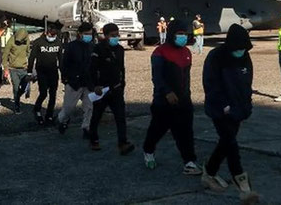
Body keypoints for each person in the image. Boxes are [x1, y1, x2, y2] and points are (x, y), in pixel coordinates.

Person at [201, 24, 259, 203]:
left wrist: (246, 105)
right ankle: (242, 183)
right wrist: (224, 105)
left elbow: (246, 82)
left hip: (238, 109)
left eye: (244, 48)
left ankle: (209, 172)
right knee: (231, 144)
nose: (241, 51)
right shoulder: (216, 56)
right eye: (238, 47)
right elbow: (210, 84)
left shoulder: (244, 56)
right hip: (220, 109)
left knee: (226, 143)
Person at [142, 19, 202, 175]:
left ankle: (189, 161)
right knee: (158, 129)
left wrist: (187, 96)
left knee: (185, 132)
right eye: (179, 34)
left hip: (183, 100)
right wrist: (166, 92)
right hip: (164, 101)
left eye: (184, 34)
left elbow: (186, 78)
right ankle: (148, 150)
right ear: (171, 34)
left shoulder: (186, 52)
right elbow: (157, 77)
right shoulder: (159, 52)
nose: (182, 37)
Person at [87, 23, 134, 154]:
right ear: (106, 35)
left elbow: (121, 68)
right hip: (102, 89)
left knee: (120, 116)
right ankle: (94, 140)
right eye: (113, 36)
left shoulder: (119, 49)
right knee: (97, 115)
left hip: (116, 89)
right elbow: (92, 69)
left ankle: (123, 143)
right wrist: (95, 85)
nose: (116, 38)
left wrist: (122, 83)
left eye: (117, 35)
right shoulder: (98, 49)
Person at [57, 22, 95, 138]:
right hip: (74, 83)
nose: (88, 36)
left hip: (89, 83)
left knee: (89, 107)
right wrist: (66, 79)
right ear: (79, 34)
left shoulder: (92, 46)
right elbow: (64, 64)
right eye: (86, 34)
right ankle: (62, 120)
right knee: (68, 108)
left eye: (90, 34)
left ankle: (86, 128)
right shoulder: (71, 46)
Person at [28, 23, 63, 125]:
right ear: (46, 32)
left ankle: (49, 115)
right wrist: (29, 72)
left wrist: (63, 74)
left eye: (54, 35)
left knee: (53, 95)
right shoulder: (38, 42)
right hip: (42, 72)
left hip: (53, 72)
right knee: (43, 93)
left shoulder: (58, 42)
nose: (52, 37)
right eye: (51, 34)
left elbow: (61, 59)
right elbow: (31, 58)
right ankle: (37, 108)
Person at [3, 28, 31, 114]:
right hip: (13, 69)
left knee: (24, 88)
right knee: (16, 87)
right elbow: (5, 55)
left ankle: (17, 97)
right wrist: (5, 69)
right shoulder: (11, 41)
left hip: (24, 69)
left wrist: (31, 66)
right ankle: (17, 105)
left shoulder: (27, 41)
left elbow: (29, 53)